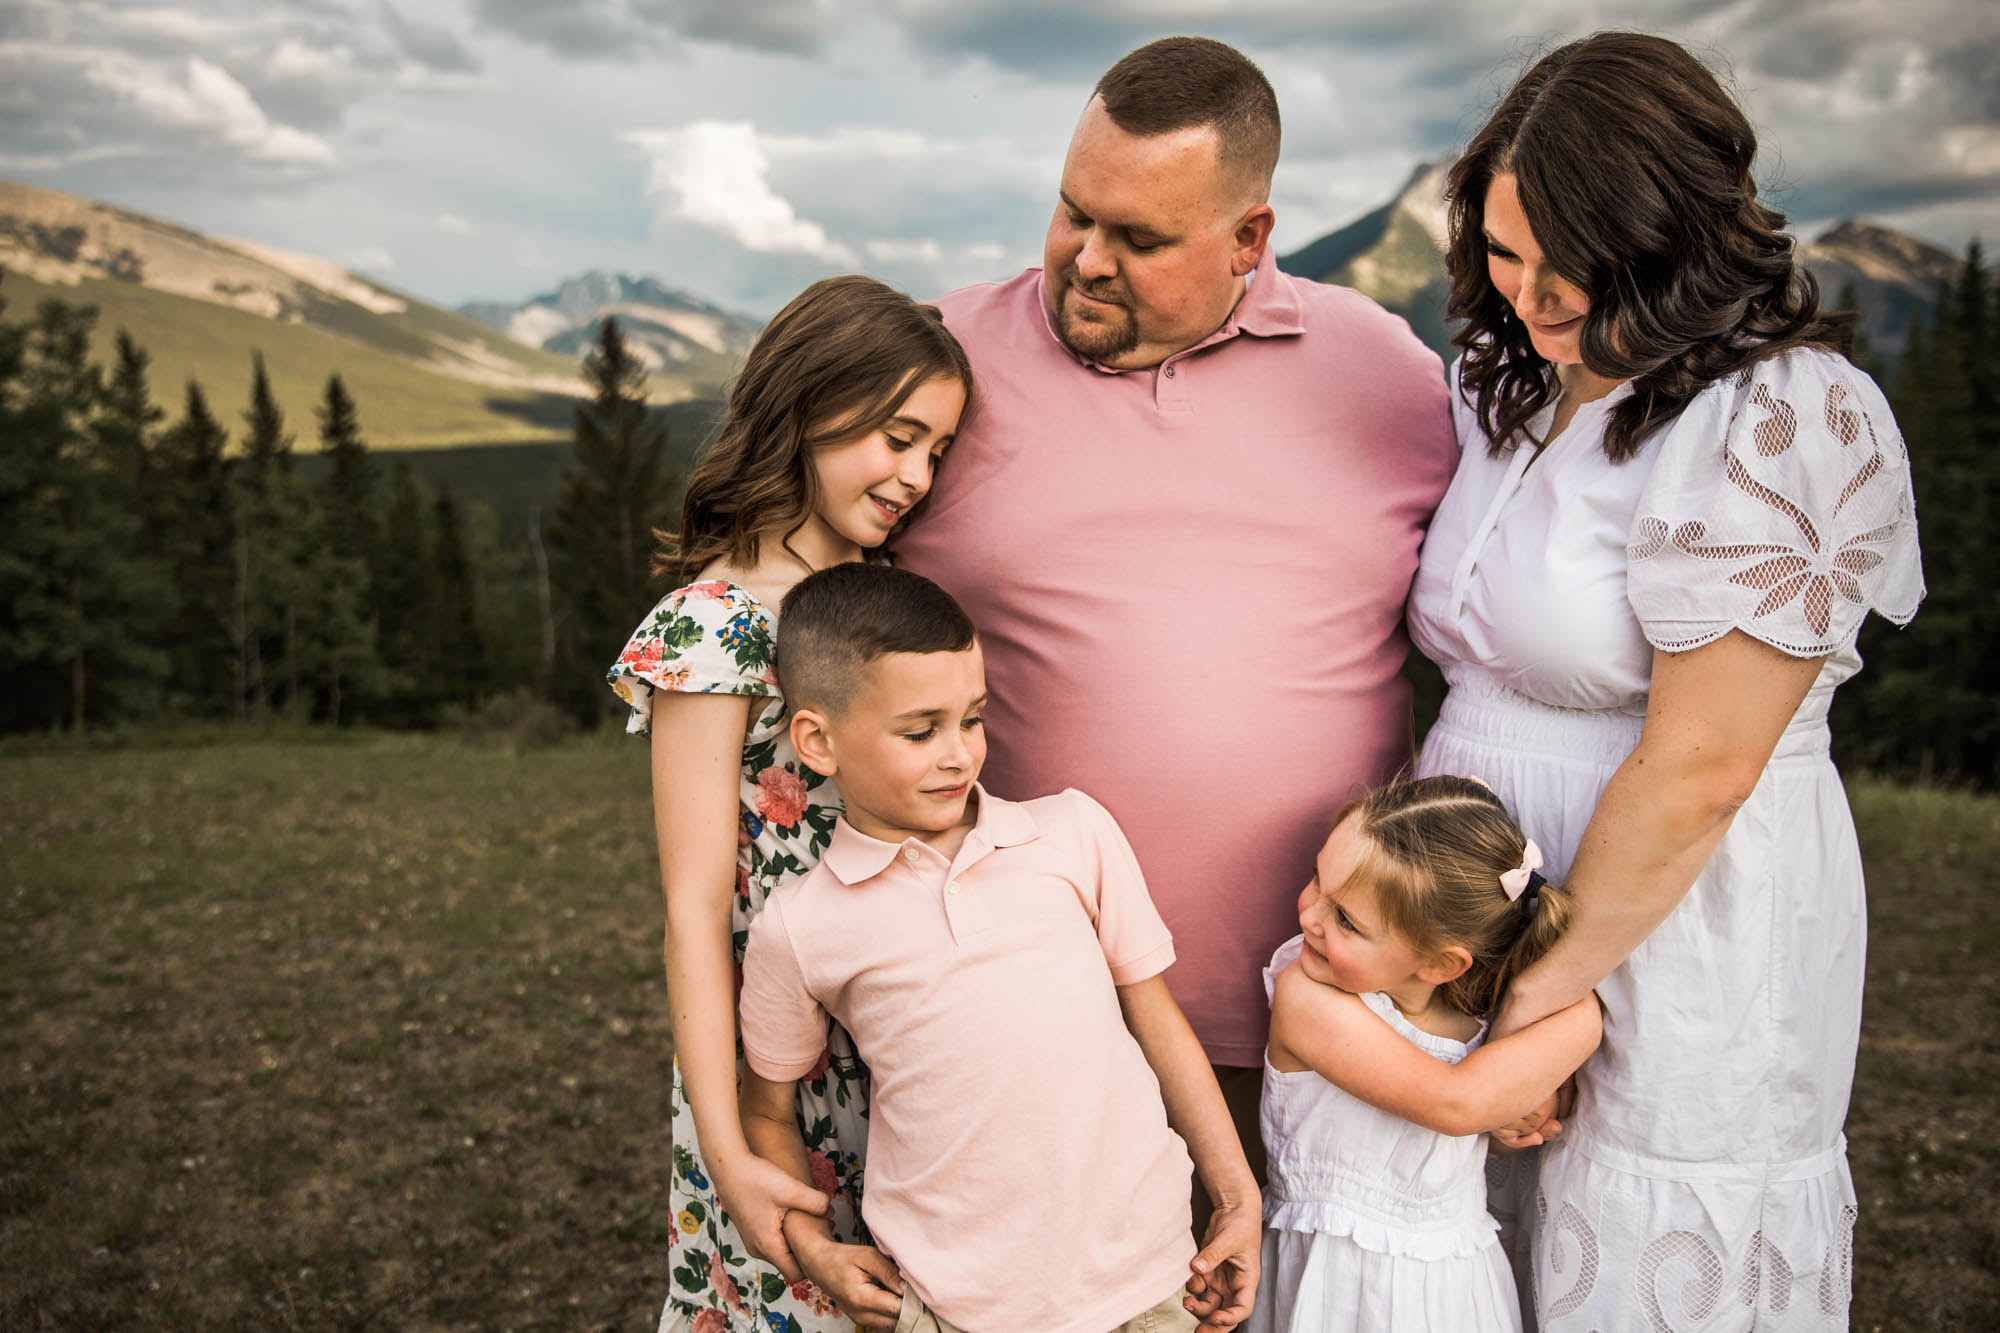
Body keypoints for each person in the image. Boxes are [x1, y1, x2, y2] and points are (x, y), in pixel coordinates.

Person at [1407, 31, 1924, 1329]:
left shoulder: (1782, 413)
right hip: (1493, 895)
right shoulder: (1516, 385)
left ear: (1673, 228)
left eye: (1571, 256)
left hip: (1670, 911)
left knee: (1636, 1252)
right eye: (1506, 252)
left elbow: (1701, 769)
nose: (1533, 292)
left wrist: (1528, 1012)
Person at [893, 36, 1458, 1211]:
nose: (1086, 262)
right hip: (1015, 1015)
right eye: (1071, 213)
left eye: (1140, 239)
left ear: (1250, 239)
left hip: (1321, 1016)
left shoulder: (1386, 375)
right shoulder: (931, 365)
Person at [736, 562, 1262, 1333]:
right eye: (921, 731)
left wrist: (1237, 1198)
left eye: (972, 718)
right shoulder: (801, 924)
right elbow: (768, 1109)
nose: (959, 753)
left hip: (1150, 1278)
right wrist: (813, 1245)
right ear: (818, 740)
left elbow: (1157, 1022)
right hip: (952, 1305)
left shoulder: (1072, 831)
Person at [606, 275, 971, 1333]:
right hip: (786, 1063)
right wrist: (725, 1147)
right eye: (897, 437)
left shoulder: (887, 596)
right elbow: (690, 905)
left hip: (918, 1025)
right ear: (812, 406)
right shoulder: (713, 627)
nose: (914, 476)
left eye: (936, 451)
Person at [1247, 776, 1601, 1333]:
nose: (1311, 916)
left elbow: (1454, 1140)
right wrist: (1585, 1020)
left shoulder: (1480, 1017)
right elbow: (1454, 1107)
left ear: (1440, 965)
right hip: (1337, 1280)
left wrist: (1510, 1112)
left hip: (1453, 1286)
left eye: (1346, 920)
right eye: (1319, 879)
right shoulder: (1308, 997)